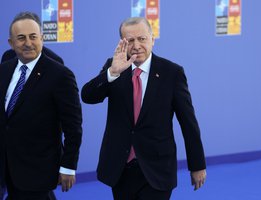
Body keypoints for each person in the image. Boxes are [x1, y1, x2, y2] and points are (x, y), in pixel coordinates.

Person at [81, 17, 206, 200]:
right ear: (122, 43)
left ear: (152, 39)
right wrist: (112, 73)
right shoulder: (114, 66)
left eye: (142, 39)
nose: (136, 45)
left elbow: (188, 122)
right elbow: (88, 96)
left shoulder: (172, 73)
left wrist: (197, 164)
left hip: (157, 169)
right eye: (130, 40)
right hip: (120, 169)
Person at [0, 11, 82, 200]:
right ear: (11, 43)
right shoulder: (3, 70)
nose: (28, 43)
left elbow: (73, 126)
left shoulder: (60, 75)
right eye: (21, 38)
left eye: (33, 37)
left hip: (37, 169)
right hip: (6, 168)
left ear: (42, 39)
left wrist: (68, 166)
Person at [1, 47, 64, 200]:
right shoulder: (8, 57)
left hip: (39, 153)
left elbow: (61, 116)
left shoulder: (54, 61)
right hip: (8, 151)